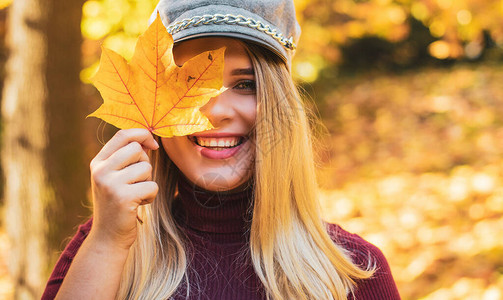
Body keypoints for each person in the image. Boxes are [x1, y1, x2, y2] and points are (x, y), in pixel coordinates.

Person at [42, 0, 401, 299]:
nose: (215, 111)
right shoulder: (101, 250)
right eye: (190, 83)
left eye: (245, 84)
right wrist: (107, 244)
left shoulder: (353, 271)